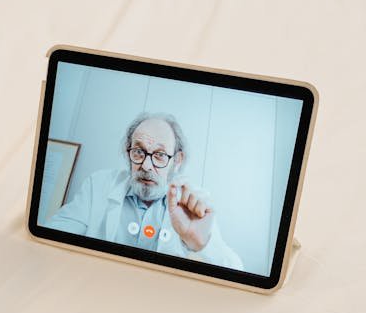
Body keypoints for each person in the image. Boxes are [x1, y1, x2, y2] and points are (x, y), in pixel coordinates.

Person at [47, 113, 243, 270]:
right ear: (128, 152)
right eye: (139, 152)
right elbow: (50, 238)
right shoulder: (98, 184)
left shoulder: (194, 204)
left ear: (177, 160)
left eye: (159, 155)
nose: (147, 166)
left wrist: (202, 244)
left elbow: (237, 270)